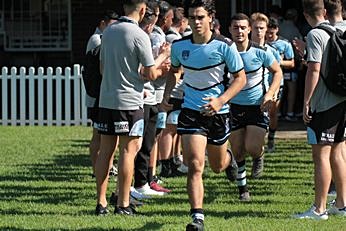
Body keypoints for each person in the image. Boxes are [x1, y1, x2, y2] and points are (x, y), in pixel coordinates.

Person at [161, 1, 246, 229]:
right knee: (195, 164)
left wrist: (220, 100)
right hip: (190, 110)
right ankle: (197, 217)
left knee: (217, 165)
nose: (196, 22)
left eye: (200, 17)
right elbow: (175, 71)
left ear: (211, 18)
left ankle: (229, 161)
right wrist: (167, 95)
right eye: (192, 17)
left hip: (219, 112)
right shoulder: (179, 47)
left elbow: (240, 79)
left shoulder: (225, 46)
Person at [95, 0, 169, 216]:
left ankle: (101, 203)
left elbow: (102, 68)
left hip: (107, 100)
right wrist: (163, 57)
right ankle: (123, 203)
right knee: (128, 151)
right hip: (129, 103)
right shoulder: (139, 35)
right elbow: (150, 74)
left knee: (105, 152)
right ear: (143, 9)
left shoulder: (108, 32)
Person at [294, 0, 346, 220]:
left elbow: (314, 70)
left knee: (321, 155)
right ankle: (342, 204)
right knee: (338, 153)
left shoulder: (315, 34)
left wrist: (306, 101)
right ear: (324, 12)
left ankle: (319, 209)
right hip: (341, 100)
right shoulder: (336, 31)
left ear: (306, 15)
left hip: (324, 104)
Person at [228, 13, 282, 201]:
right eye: (236, 27)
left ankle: (259, 156)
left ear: (249, 29)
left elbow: (277, 72)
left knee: (252, 147)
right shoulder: (225, 51)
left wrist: (269, 94)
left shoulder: (260, 51)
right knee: (237, 150)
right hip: (233, 106)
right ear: (230, 30)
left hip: (257, 106)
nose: (239, 31)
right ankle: (243, 190)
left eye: (243, 27)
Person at [84, 10, 118, 177]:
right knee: (98, 134)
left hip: (104, 94)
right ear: (102, 24)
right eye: (111, 26)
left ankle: (107, 168)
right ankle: (96, 169)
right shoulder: (96, 39)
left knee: (106, 135)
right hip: (96, 95)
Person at [250, 12, 282, 157]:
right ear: (250, 28)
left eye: (262, 28)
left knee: (271, 115)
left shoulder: (271, 51)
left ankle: (270, 140)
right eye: (256, 28)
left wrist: (272, 91)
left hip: (268, 91)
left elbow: (278, 73)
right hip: (248, 94)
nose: (259, 31)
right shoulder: (241, 49)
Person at [266, 17, 295, 152]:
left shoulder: (284, 44)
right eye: (267, 32)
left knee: (273, 112)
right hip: (261, 81)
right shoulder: (259, 43)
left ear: (277, 30)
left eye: (272, 33)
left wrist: (279, 62)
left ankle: (271, 138)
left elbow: (292, 63)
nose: (269, 36)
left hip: (277, 82)